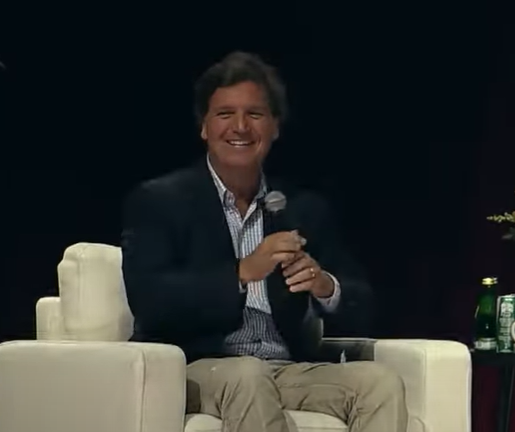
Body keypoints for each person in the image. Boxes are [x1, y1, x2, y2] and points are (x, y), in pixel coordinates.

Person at [121, 51, 407, 432]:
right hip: (197, 368)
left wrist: (325, 286)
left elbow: (363, 302)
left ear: (274, 127)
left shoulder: (301, 208)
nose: (240, 127)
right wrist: (241, 273)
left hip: (283, 368)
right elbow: (151, 301)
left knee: (379, 384)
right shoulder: (160, 201)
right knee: (248, 375)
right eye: (225, 114)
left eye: (254, 114)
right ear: (204, 126)